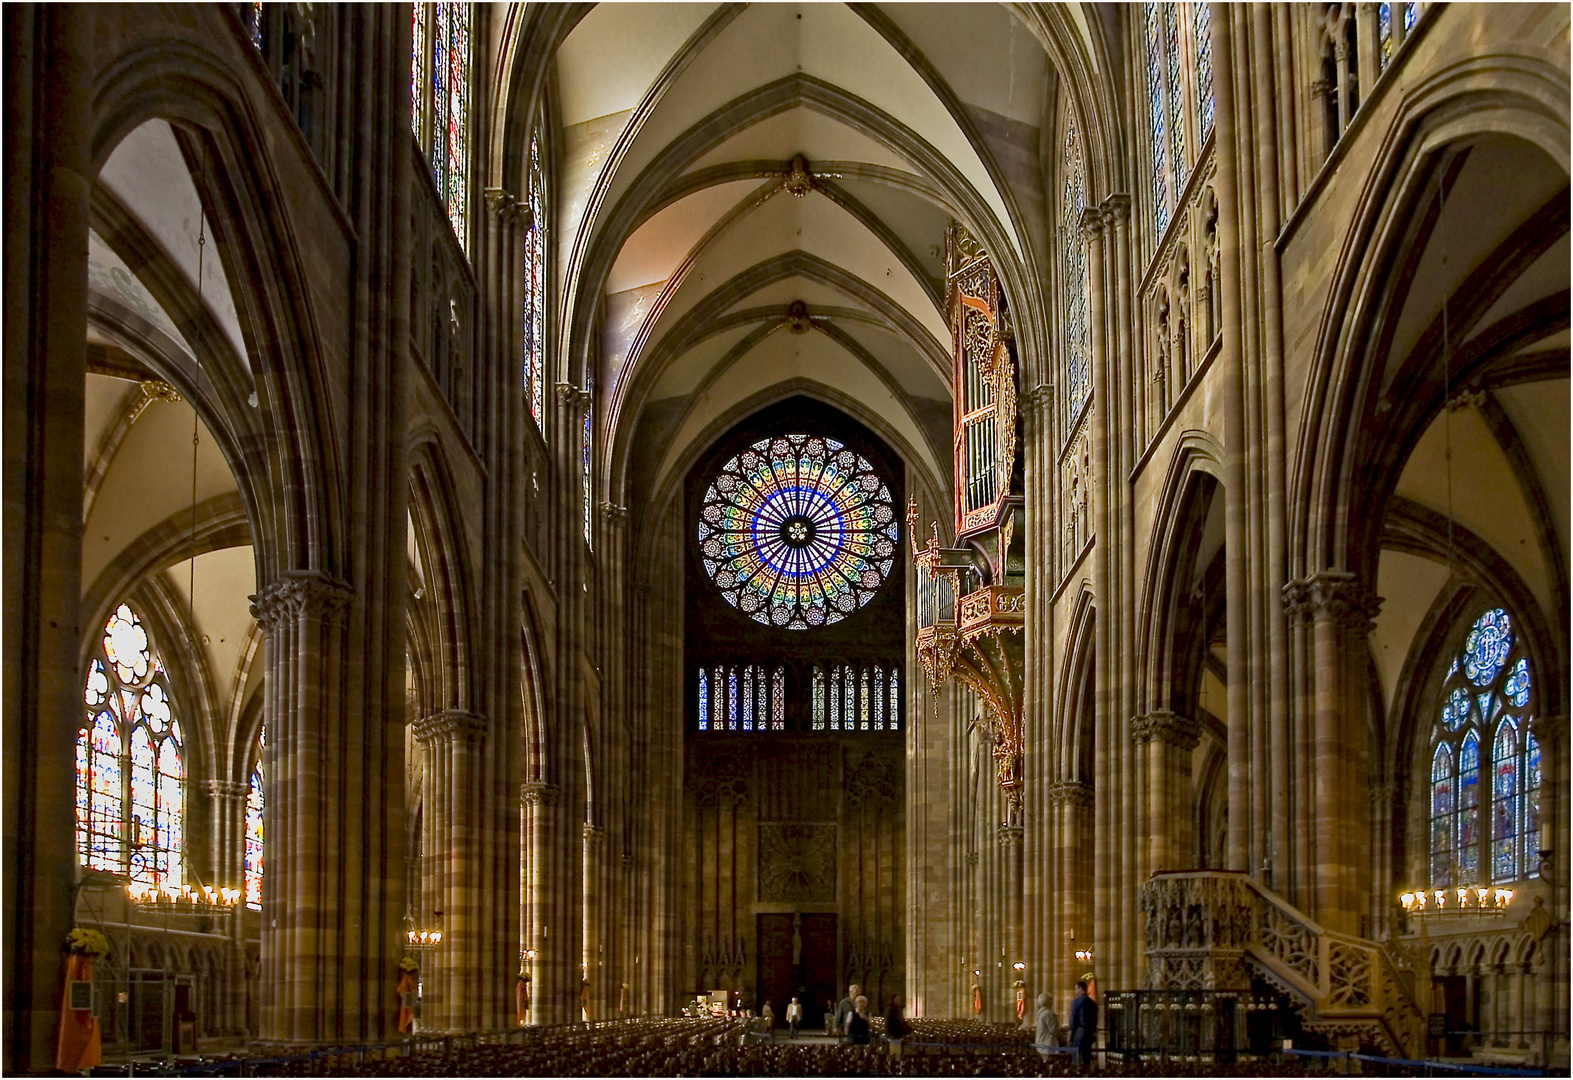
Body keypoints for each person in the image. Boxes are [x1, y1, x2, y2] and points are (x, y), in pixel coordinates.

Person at [1069, 979, 1097, 1070]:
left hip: (1079, 1032)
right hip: (1089, 1033)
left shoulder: (1076, 1002)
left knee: (1077, 1058)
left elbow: (1073, 1019)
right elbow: (1095, 1020)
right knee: (1086, 1058)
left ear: (1081, 988)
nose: (1075, 991)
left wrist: (1070, 1034)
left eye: (1076, 989)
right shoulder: (1093, 1003)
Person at [1033, 992, 1061, 1062]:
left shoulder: (1041, 1012)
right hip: (1047, 1043)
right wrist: (1061, 1037)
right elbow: (1054, 1029)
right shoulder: (1048, 1013)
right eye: (1051, 999)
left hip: (1041, 1042)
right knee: (1049, 1063)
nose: (1052, 1002)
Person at [883, 993, 910, 1059]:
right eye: (897, 999)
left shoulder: (898, 1009)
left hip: (898, 1036)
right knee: (894, 1055)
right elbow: (889, 1023)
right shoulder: (890, 1010)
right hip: (893, 1036)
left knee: (898, 1054)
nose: (899, 1000)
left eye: (900, 999)